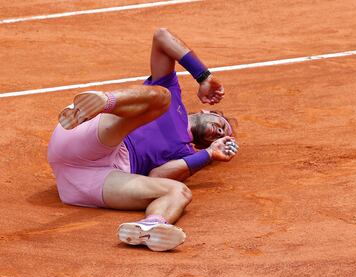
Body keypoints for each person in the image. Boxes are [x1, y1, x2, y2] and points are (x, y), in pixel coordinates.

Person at [47, 28, 239, 252]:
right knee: (162, 97)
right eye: (221, 124)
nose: (219, 132)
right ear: (207, 112)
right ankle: (101, 104)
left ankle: (149, 227)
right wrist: (203, 76)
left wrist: (207, 155)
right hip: (88, 137)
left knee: (180, 192)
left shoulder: (188, 153)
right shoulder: (174, 97)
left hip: (88, 181)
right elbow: (162, 37)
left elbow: (157, 176)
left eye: (222, 135)